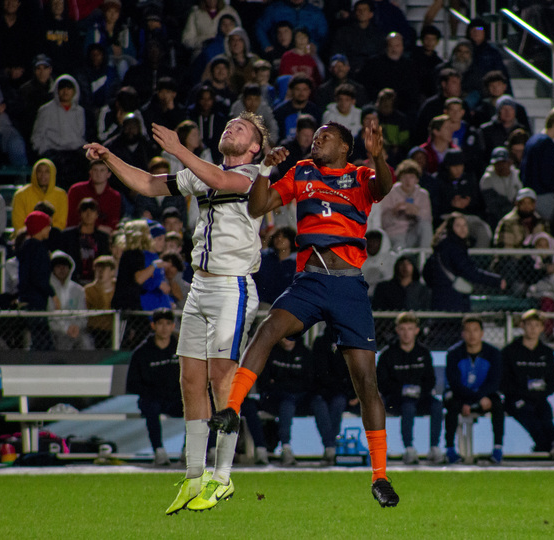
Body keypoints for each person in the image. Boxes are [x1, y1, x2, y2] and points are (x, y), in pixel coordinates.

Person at [206, 120, 400, 507]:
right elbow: (259, 205)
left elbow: (384, 187)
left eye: (325, 137)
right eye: (314, 137)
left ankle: (380, 476)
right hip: (309, 280)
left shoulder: (360, 174)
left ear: (345, 147)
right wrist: (263, 169)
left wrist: (378, 155)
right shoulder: (301, 172)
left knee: (366, 383)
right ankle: (231, 409)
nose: (315, 141)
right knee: (267, 330)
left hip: (348, 285)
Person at [85, 110, 270, 513]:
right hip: (200, 285)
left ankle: (222, 476)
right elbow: (150, 184)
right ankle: (192, 476)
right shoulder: (205, 171)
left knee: (223, 377)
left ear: (255, 146)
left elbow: (222, 181)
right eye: (228, 124)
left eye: (240, 128)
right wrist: (109, 158)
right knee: (190, 380)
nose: (230, 128)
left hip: (232, 285)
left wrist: (178, 148)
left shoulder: (255, 175)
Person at [376, 312, 444, 464]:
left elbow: (430, 380)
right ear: (397, 330)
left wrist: (419, 391)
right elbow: (382, 382)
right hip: (396, 399)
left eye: (410, 329)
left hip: (420, 397)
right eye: (403, 329)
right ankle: (409, 449)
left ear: (416, 331)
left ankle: (434, 448)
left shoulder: (423, 353)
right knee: (408, 406)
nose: (407, 333)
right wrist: (402, 390)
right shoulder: (388, 354)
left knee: (437, 405)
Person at [261, 337, 336, 466]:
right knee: (287, 403)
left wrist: (282, 382)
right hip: (278, 399)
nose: (287, 339)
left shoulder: (305, 353)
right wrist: (291, 383)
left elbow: (310, 381)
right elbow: (265, 382)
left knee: (319, 402)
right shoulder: (271, 353)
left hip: (302, 397)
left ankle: (330, 449)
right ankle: (286, 448)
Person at [443, 315, 504, 464]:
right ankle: (450, 450)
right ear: (462, 334)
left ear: (482, 333)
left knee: (498, 404)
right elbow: (455, 384)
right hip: (461, 396)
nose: (472, 335)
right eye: (468, 331)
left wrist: (479, 397)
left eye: (475, 330)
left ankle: (497, 449)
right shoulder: (453, 354)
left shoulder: (493, 353)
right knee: (451, 403)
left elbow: (495, 382)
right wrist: (470, 400)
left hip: (484, 396)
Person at [126, 307, 182, 466]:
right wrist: (153, 391)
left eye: (168, 323)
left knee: (199, 406)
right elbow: (132, 384)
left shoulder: (182, 350)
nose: (164, 328)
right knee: (150, 406)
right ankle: (159, 451)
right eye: (160, 323)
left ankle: (189, 451)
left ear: (173, 326)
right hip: (153, 398)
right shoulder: (141, 352)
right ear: (153, 326)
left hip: (176, 399)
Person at [500, 309, 554, 454]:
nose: (533, 329)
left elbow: (552, 383)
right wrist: (524, 393)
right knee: (531, 419)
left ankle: (551, 446)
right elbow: (503, 383)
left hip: (539, 399)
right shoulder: (510, 351)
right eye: (530, 325)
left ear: (542, 328)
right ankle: (552, 447)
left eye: (537, 325)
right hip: (516, 400)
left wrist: (539, 394)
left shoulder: (546, 353)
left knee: (546, 418)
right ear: (522, 325)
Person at [426, 212, 506, 313]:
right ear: (451, 228)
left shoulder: (441, 246)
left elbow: (426, 272)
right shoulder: (454, 247)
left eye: (464, 225)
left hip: (439, 298)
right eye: (458, 225)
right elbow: (469, 271)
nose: (462, 229)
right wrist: (495, 281)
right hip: (453, 300)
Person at [519, 108, 554, 221]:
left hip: (530, 195)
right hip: (544, 196)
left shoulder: (533, 140)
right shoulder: (547, 144)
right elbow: (547, 176)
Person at [18, 211, 58, 351]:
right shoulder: (38, 248)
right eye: (47, 226)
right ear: (40, 228)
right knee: (43, 342)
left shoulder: (26, 246)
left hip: (28, 299)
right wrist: (53, 294)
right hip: (36, 301)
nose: (50, 229)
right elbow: (38, 277)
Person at [380, 158, 433, 250]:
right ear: (400, 178)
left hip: (414, 233)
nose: (408, 181)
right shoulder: (390, 193)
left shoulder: (423, 194)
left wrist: (417, 212)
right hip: (396, 233)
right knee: (400, 248)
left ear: (416, 179)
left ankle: (426, 257)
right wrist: (394, 212)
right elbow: (383, 222)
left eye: (411, 177)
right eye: (405, 177)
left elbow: (428, 219)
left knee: (425, 226)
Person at [59, 198, 111, 286]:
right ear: (80, 213)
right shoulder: (67, 236)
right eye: (85, 210)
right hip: (72, 282)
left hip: (96, 284)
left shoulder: (103, 237)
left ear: (97, 214)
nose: (88, 214)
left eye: (92, 210)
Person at [12, 158, 69, 232]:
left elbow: (61, 224)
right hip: (27, 238)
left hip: (53, 238)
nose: (43, 175)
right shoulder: (21, 194)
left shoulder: (61, 195)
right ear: (34, 173)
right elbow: (18, 224)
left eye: (47, 171)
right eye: (39, 171)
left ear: (52, 173)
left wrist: (46, 234)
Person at [66, 160, 122, 233]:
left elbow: (113, 223)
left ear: (109, 174)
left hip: (104, 236)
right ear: (90, 172)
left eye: (102, 170)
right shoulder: (76, 190)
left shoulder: (115, 195)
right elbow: (72, 218)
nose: (98, 174)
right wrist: (97, 227)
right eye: (95, 170)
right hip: (77, 233)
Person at [84, 255, 116, 348]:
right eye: (98, 268)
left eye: (104, 269)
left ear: (112, 271)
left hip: (114, 330)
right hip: (95, 331)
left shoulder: (119, 289)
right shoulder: (88, 290)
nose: (100, 272)